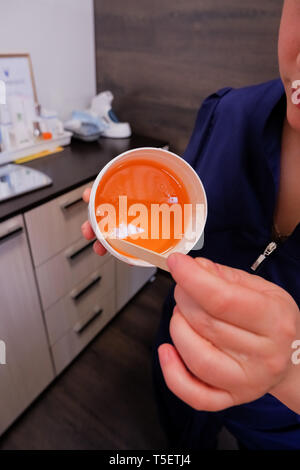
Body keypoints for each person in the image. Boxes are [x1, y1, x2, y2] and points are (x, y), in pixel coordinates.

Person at [81, 0, 300, 450]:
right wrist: (139, 230)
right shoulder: (227, 112)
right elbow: (191, 237)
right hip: (178, 350)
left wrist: (291, 372)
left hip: (279, 424)